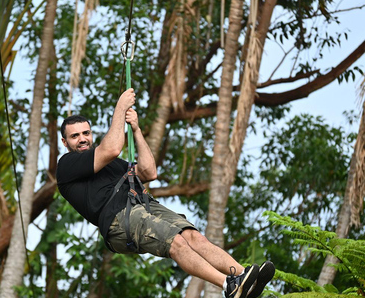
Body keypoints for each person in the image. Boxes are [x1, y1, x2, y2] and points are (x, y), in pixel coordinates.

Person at [56, 88, 275, 298]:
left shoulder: (110, 163)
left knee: (193, 236)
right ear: (65, 142)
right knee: (177, 242)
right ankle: (228, 285)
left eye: (86, 133)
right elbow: (112, 148)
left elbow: (149, 172)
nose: (83, 139)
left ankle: (243, 277)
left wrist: (136, 130)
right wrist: (120, 109)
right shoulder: (66, 166)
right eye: (75, 136)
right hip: (119, 220)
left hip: (141, 205)